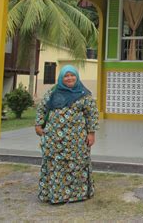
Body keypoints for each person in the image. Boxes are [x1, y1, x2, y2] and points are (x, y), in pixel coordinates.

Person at [35, 65, 99, 204]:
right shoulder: (53, 92)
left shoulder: (84, 94)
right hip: (54, 139)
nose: (69, 78)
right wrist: (38, 125)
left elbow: (91, 115)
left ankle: (78, 195)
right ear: (61, 78)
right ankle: (56, 195)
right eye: (66, 76)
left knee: (77, 164)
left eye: (72, 75)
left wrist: (91, 133)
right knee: (56, 165)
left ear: (77, 77)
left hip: (77, 140)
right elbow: (42, 108)